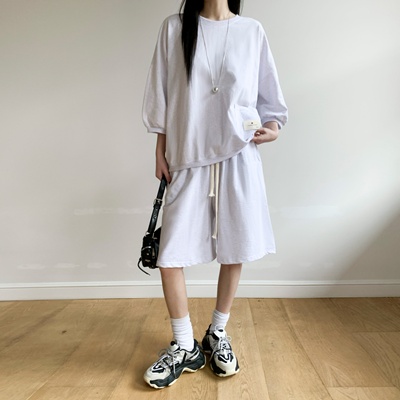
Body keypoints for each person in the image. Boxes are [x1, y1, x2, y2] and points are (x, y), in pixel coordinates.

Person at [141, 0, 288, 389]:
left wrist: (272, 128)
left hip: (239, 154)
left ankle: (217, 332)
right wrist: (160, 150)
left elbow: (270, 98)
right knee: (170, 253)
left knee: (235, 245)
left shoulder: (251, 31)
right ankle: (184, 344)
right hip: (188, 154)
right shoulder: (175, 28)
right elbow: (162, 93)